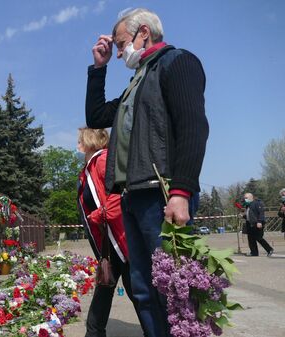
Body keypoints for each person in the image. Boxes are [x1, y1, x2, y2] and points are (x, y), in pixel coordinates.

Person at [85, 8, 209, 337]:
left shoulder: (176, 62)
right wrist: (98, 69)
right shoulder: (135, 83)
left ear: (144, 32)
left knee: (172, 290)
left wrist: (182, 191)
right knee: (142, 289)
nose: (120, 53)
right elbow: (96, 115)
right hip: (132, 196)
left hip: (162, 194)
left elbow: (193, 128)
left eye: (122, 44)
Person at [76, 127, 143, 337]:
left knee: (136, 290)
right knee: (106, 285)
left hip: (121, 239)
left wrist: (97, 216)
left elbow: (121, 196)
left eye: (80, 139)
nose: (77, 143)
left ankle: (158, 329)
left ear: (89, 141)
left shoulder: (103, 160)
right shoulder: (90, 167)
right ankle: (94, 333)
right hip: (110, 241)